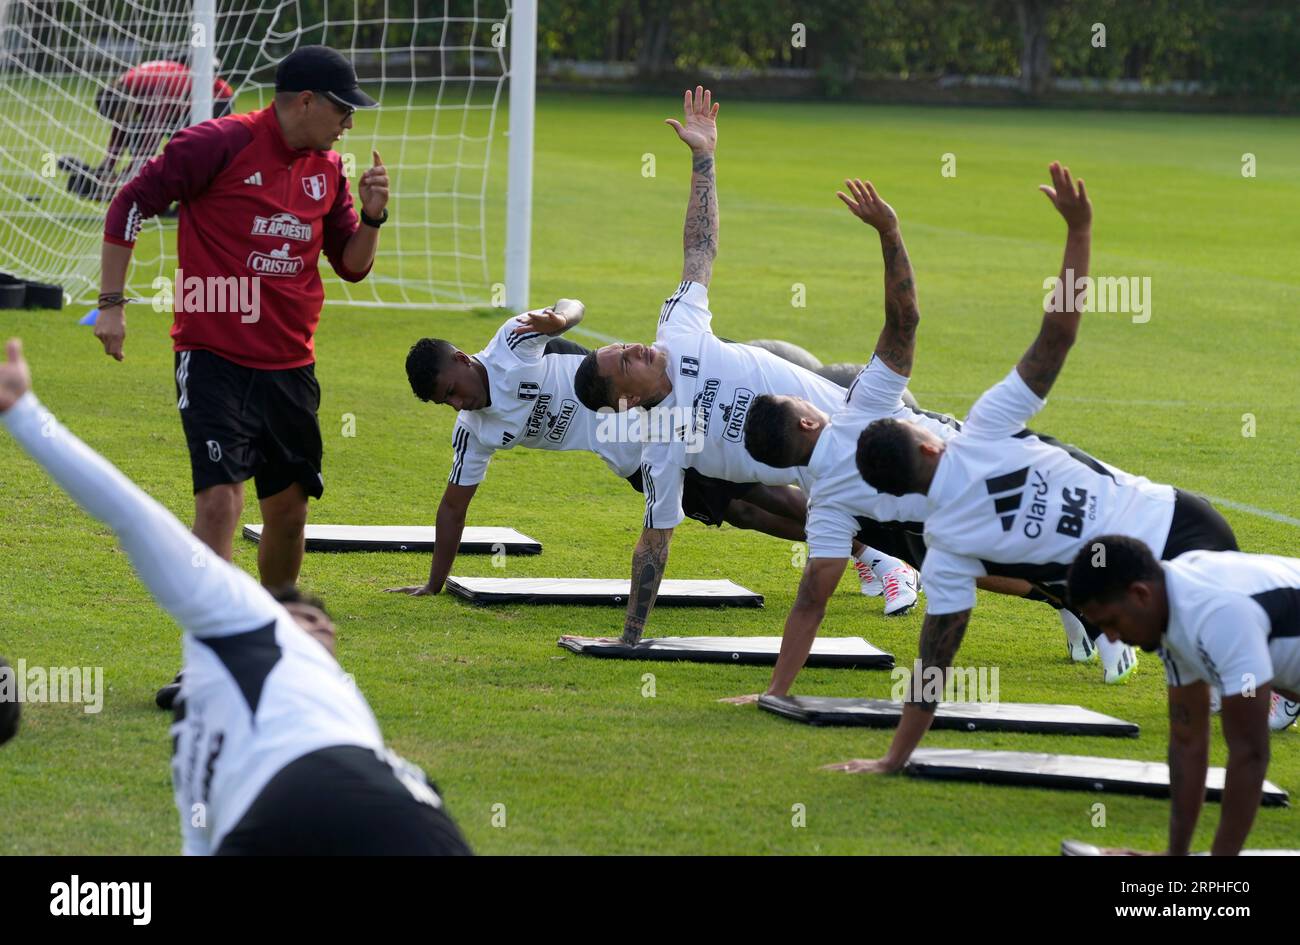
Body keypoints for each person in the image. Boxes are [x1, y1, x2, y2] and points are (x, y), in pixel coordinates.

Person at [832, 163, 1238, 774]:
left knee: (1221, 694)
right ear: (927, 445)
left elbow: (934, 662)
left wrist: (894, 759)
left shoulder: (943, 548)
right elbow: (1058, 333)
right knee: (1255, 659)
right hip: (1183, 518)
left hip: (1149, 589)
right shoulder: (986, 424)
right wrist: (1079, 229)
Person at [0, 338, 470, 855]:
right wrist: (25, 416)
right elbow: (133, 518)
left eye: (320, 626)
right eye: (309, 620)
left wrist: (27, 416)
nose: (323, 630)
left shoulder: (304, 685)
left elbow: (132, 519)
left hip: (351, 806)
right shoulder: (252, 627)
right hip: (360, 807)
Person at [570, 89, 923, 644]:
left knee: (975, 502)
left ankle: (1066, 594)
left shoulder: (678, 331)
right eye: (622, 361)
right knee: (953, 539)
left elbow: (700, 247)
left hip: (877, 416)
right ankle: (1065, 596)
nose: (633, 347)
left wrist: (703, 156)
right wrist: (631, 636)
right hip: (842, 481)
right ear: (627, 401)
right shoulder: (664, 442)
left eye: (622, 345)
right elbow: (654, 540)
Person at [94, 45, 389, 707]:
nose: (348, 124)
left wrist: (371, 215)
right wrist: (112, 305)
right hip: (213, 354)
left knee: (287, 516)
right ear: (304, 100)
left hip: (291, 364)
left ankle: (273, 651)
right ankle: (203, 663)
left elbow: (352, 264)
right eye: (342, 109)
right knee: (220, 502)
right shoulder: (218, 143)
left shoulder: (329, 170)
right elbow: (130, 205)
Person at [731, 177, 1084, 703]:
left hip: (972, 527)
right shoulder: (861, 405)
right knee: (1121, 549)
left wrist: (775, 691)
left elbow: (810, 601)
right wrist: (889, 232)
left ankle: (1084, 604)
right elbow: (906, 319)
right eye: (802, 401)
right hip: (1019, 468)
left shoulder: (826, 506)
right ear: (807, 421)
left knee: (1041, 571)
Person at [388, 307, 888, 599]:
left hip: (651, 409)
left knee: (758, 488)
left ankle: (878, 556)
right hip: (626, 455)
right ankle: (855, 550)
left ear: (461, 359)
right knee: (736, 511)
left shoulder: (510, 343)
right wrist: (435, 584)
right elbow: (454, 505)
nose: (457, 403)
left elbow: (573, 305)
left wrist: (562, 317)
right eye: (445, 403)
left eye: (452, 390)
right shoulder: (474, 431)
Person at [1067, 536, 1300, 854]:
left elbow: (1250, 753)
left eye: (1111, 623)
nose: (1110, 638)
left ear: (1140, 595)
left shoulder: (1217, 614)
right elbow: (1187, 743)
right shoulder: (1170, 607)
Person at [59, 59, 235, 201]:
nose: (120, 122)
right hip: (184, 102)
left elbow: (149, 145)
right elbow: (122, 128)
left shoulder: (152, 95)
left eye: (119, 116)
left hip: (216, 99)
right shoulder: (124, 88)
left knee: (188, 149)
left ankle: (186, 198)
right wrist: (107, 166)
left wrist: (125, 179)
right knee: (136, 133)